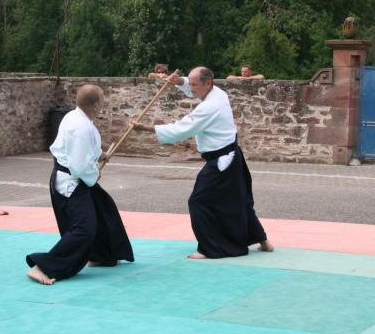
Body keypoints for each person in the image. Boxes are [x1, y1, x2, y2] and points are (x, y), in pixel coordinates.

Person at [132, 67, 273, 259]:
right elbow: (192, 89)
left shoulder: (209, 107)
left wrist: (147, 129)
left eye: (194, 84)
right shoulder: (218, 93)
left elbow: (182, 129)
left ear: (207, 83)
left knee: (199, 201)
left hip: (223, 160)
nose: (191, 88)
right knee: (240, 199)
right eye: (190, 83)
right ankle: (263, 241)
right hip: (232, 155)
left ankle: (210, 248)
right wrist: (180, 82)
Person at [26, 84, 134, 285]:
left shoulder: (76, 117)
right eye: (102, 101)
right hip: (71, 181)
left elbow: (82, 149)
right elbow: (78, 166)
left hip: (76, 177)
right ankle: (42, 266)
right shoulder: (81, 126)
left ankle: (103, 255)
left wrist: (100, 154)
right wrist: (94, 175)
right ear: (95, 105)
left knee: (104, 209)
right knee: (84, 228)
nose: (103, 105)